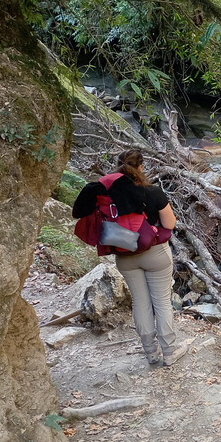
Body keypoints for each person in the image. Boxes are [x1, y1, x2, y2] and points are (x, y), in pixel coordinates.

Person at [72, 149, 191, 367]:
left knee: (140, 303)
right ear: (141, 167)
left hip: (124, 256)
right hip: (155, 254)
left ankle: (150, 354)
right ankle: (169, 352)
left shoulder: (107, 195)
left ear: (118, 168)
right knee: (162, 302)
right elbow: (170, 224)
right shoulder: (153, 192)